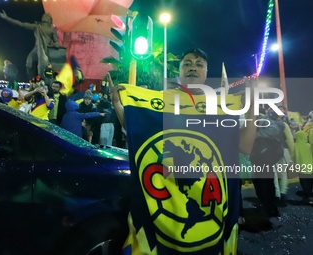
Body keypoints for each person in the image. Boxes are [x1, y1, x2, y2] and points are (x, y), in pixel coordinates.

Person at [110, 48, 257, 255]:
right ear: (178, 71)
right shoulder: (160, 101)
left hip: (208, 206)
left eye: (199, 64)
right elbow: (138, 133)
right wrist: (118, 104)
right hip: (167, 205)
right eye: (187, 63)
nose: (192, 68)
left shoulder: (222, 106)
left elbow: (245, 146)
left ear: (207, 72)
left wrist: (252, 108)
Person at [0, 10, 60, 79]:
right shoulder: (37, 26)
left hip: (45, 51)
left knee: (42, 68)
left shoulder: (52, 31)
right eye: (44, 16)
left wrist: (56, 44)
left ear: (50, 20)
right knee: (29, 63)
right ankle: (32, 81)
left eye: (47, 17)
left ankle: (42, 82)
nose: (45, 18)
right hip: (36, 49)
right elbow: (21, 24)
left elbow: (56, 41)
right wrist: (7, 18)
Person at [293, 130, 313, 204]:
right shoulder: (308, 145)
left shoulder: (295, 146)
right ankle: (310, 194)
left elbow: (293, 156)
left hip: (300, 167)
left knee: (304, 182)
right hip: (310, 166)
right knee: (310, 181)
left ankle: (308, 196)